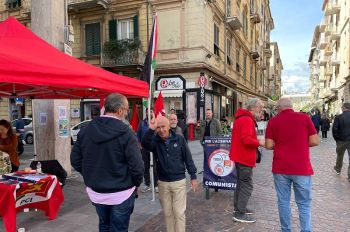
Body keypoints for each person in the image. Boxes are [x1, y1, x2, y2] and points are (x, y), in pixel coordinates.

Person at [71, 93, 144, 232]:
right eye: (127, 110)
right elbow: (137, 167)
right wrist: (135, 184)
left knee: (104, 226)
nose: (127, 113)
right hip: (121, 192)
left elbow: (75, 159)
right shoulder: (127, 133)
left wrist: (91, 174)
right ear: (120, 110)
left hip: (97, 192)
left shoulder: (86, 129)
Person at [265, 98, 320, 232]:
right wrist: (299, 144)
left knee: (283, 201)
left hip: (281, 167)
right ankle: (306, 230)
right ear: (292, 107)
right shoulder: (304, 118)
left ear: (278, 108)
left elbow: (268, 145)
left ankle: (286, 230)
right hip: (301, 167)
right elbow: (315, 141)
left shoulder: (273, 121)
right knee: (304, 203)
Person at [142, 114, 198, 232]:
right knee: (167, 213)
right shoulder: (155, 141)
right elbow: (144, 143)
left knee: (178, 212)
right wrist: (151, 129)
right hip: (163, 183)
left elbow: (188, 158)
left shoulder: (179, 139)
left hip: (179, 181)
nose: (161, 130)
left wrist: (193, 176)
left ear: (169, 126)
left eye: (163, 126)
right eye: (158, 127)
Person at [229, 98, 265, 223]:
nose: (261, 110)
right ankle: (239, 213)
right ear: (253, 107)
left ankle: (239, 208)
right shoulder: (247, 119)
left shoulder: (243, 118)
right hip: (244, 157)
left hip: (240, 157)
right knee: (247, 185)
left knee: (241, 183)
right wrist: (260, 142)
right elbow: (246, 139)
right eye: (260, 107)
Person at [137, 109, 158, 193]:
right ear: (146, 112)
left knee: (155, 167)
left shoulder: (156, 122)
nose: (149, 113)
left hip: (154, 147)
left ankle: (156, 184)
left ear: (154, 112)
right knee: (145, 166)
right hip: (144, 148)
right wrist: (139, 144)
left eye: (152, 111)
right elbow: (138, 134)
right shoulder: (142, 123)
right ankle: (147, 184)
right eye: (148, 111)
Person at [332, 102, 350, 181]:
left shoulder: (338, 117)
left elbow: (335, 129)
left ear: (345, 108)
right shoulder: (338, 117)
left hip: (341, 140)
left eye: (342, 107)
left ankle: (338, 169)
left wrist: (337, 139)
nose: (341, 109)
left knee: (340, 155)